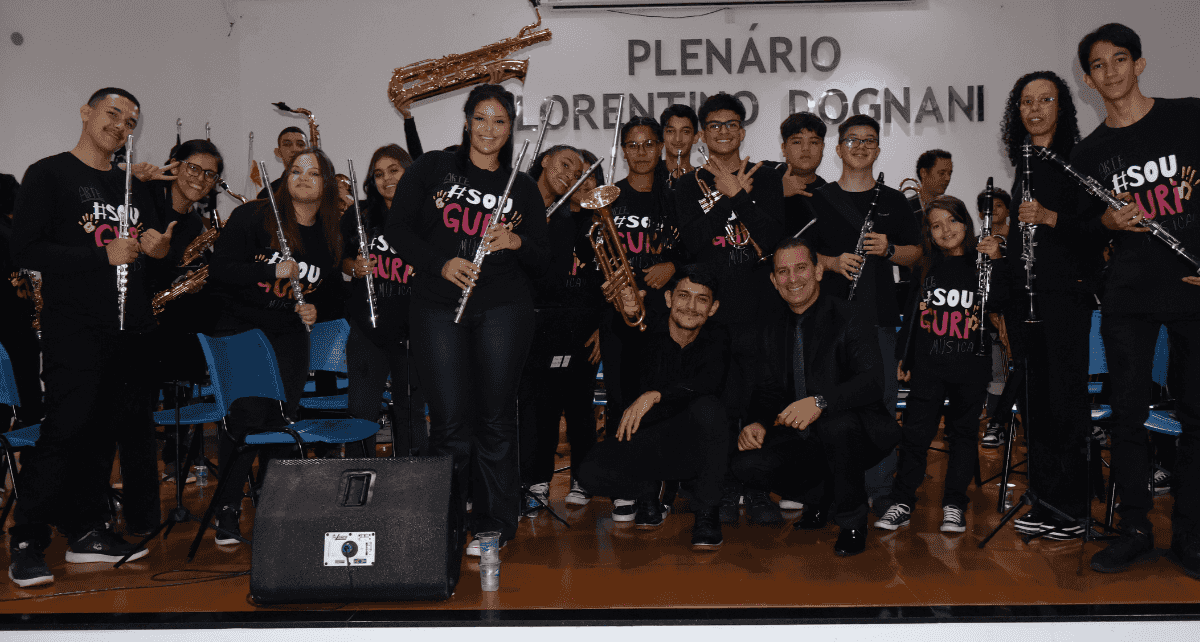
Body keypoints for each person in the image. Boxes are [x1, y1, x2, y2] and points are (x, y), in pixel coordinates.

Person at [7, 88, 177, 587]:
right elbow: (26, 249)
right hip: (75, 329)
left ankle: (86, 532)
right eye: (113, 114)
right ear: (86, 113)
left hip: (130, 331)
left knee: (102, 437)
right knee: (65, 431)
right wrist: (98, 257)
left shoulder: (131, 187)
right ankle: (27, 540)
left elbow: (142, 252)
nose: (122, 126)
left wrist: (158, 250)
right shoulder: (49, 173)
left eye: (131, 121)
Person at [384, 84, 549, 561]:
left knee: (496, 418)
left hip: (503, 305)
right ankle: (448, 521)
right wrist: (441, 264)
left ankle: (494, 524)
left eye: (500, 121)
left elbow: (545, 259)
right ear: (466, 121)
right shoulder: (431, 168)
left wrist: (516, 243)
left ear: (510, 128)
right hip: (437, 303)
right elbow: (397, 230)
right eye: (481, 118)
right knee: (450, 422)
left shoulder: (521, 186)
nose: (489, 129)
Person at [1069, 23, 1200, 578]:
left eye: (1120, 60)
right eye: (1098, 65)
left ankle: (1191, 536)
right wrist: (1104, 219)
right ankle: (1135, 529)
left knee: (1196, 416)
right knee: (1127, 417)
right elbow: (1078, 234)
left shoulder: (1188, 116)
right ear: (1088, 79)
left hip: (1192, 289)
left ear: (1139, 64)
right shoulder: (1089, 151)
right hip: (1126, 296)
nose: (1111, 72)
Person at [207, 148, 344, 546]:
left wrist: (316, 308)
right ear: (284, 179)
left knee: (282, 418)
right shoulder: (253, 216)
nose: (303, 177)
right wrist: (271, 270)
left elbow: (332, 294)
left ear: (325, 185)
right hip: (243, 331)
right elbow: (220, 271)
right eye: (295, 170)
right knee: (247, 418)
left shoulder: (328, 234)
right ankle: (228, 507)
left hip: (287, 334)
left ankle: (273, 500)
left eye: (314, 172)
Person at [731, 237, 899, 556]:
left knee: (836, 425)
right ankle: (819, 498)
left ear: (819, 271)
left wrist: (820, 402)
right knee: (746, 463)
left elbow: (872, 383)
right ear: (773, 280)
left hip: (858, 431)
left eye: (801, 268)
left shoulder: (850, 316)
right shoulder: (768, 327)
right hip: (802, 437)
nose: (792, 279)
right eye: (783, 271)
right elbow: (767, 391)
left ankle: (852, 522)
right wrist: (757, 423)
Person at [673, 92, 785, 521]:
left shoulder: (767, 176)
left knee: (758, 400)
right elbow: (693, 243)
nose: (723, 132)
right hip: (711, 313)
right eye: (714, 125)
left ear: (742, 130)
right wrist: (725, 196)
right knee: (715, 403)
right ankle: (716, 486)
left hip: (759, 306)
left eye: (731, 124)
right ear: (702, 134)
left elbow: (773, 239)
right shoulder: (687, 184)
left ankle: (756, 489)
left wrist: (739, 193)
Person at [997, 69, 1098, 540]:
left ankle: (1072, 508)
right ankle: (1044, 500)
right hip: (1027, 298)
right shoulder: (1026, 161)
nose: (1035, 110)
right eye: (1026, 102)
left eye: (1046, 100)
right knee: (1035, 404)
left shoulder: (1078, 158)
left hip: (1064, 299)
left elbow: (1099, 231)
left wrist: (1051, 217)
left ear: (1063, 107)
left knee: (1065, 404)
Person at [809, 113, 923, 511]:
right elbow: (801, 258)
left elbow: (916, 253)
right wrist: (830, 261)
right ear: (839, 149)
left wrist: (890, 250)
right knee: (828, 401)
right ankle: (830, 487)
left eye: (869, 141)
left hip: (879, 317)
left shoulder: (893, 201)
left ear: (878, 149)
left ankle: (878, 488)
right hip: (830, 320)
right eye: (852, 140)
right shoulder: (820, 199)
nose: (860, 146)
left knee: (882, 403)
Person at [876, 196, 1009, 533]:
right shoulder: (926, 266)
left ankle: (954, 504)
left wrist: (999, 258)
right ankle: (902, 501)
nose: (945, 230)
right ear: (929, 233)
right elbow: (913, 314)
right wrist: (903, 357)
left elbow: (1004, 301)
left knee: (963, 436)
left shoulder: (982, 265)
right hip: (929, 366)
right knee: (915, 436)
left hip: (971, 367)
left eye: (952, 221)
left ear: (966, 223)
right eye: (936, 225)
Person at [577, 265, 729, 549]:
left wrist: (656, 395)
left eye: (702, 299)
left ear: (713, 308)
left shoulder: (718, 339)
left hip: (696, 446)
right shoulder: (646, 332)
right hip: (652, 443)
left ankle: (707, 513)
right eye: (684, 296)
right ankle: (654, 489)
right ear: (669, 298)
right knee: (589, 472)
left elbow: (709, 382)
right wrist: (631, 311)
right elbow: (627, 329)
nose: (691, 306)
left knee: (710, 409)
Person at [517, 144, 602, 514]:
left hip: (584, 330)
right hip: (543, 327)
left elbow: (606, 283)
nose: (581, 188)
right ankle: (538, 478)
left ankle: (584, 478)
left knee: (581, 408)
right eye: (576, 181)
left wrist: (602, 327)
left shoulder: (599, 227)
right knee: (542, 409)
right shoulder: (552, 221)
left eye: (589, 183)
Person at [146, 139, 227, 485]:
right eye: (194, 168)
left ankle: (174, 463)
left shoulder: (197, 226)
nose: (201, 178)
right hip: (133, 322)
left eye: (210, 174)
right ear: (174, 165)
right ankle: (141, 478)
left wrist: (194, 283)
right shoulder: (145, 202)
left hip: (171, 326)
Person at [341, 143, 426, 458]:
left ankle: (414, 487)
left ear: (409, 171)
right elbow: (341, 259)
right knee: (361, 413)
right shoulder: (359, 214)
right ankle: (358, 484)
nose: (387, 179)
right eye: (378, 174)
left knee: (411, 412)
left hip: (413, 331)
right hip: (368, 330)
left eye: (394, 170)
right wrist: (355, 267)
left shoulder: (426, 214)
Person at [975, 186, 1014, 445]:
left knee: (1018, 371)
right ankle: (996, 423)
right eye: (987, 209)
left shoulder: (1020, 239)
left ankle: (1004, 423)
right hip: (987, 316)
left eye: (998, 206)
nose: (992, 212)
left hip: (1013, 315)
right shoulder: (977, 242)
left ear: (1008, 210)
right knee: (996, 374)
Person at [777, 112, 829, 237]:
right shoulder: (764, 177)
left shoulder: (829, 196)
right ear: (784, 148)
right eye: (797, 142)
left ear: (822, 148)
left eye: (814, 142)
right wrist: (778, 192)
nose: (805, 148)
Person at [255, 127, 307, 199]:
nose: (294, 149)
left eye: (301, 144)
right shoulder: (267, 194)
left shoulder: (323, 186)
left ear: (309, 151)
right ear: (278, 153)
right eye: (287, 144)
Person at [660, 104, 700, 187]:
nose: (678, 139)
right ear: (661, 135)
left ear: (696, 137)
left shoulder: (702, 178)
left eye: (685, 132)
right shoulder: (649, 176)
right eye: (670, 131)